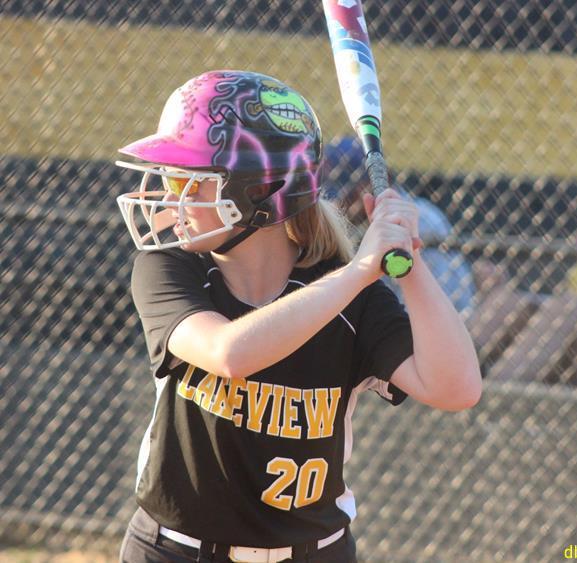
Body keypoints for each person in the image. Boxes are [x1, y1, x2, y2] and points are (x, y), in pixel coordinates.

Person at [115, 70, 482, 563]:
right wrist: (359, 271)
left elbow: (457, 389)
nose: (168, 196)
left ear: (257, 193)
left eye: (187, 180)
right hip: (176, 552)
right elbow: (230, 353)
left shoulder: (351, 298)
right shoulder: (170, 268)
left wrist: (408, 261)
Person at [322, 136, 476, 315]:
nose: (338, 204)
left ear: (378, 180)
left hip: (449, 317)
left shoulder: (419, 219)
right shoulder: (354, 224)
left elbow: (431, 308)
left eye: (349, 194)